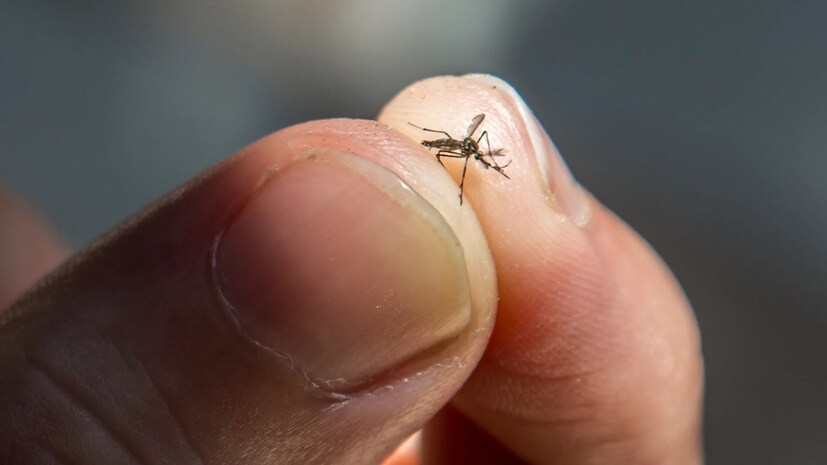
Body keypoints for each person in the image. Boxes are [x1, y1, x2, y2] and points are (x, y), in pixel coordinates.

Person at [0, 75, 703, 464]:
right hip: (428, 173)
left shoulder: (468, 152)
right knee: (447, 159)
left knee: (459, 157)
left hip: (440, 169)